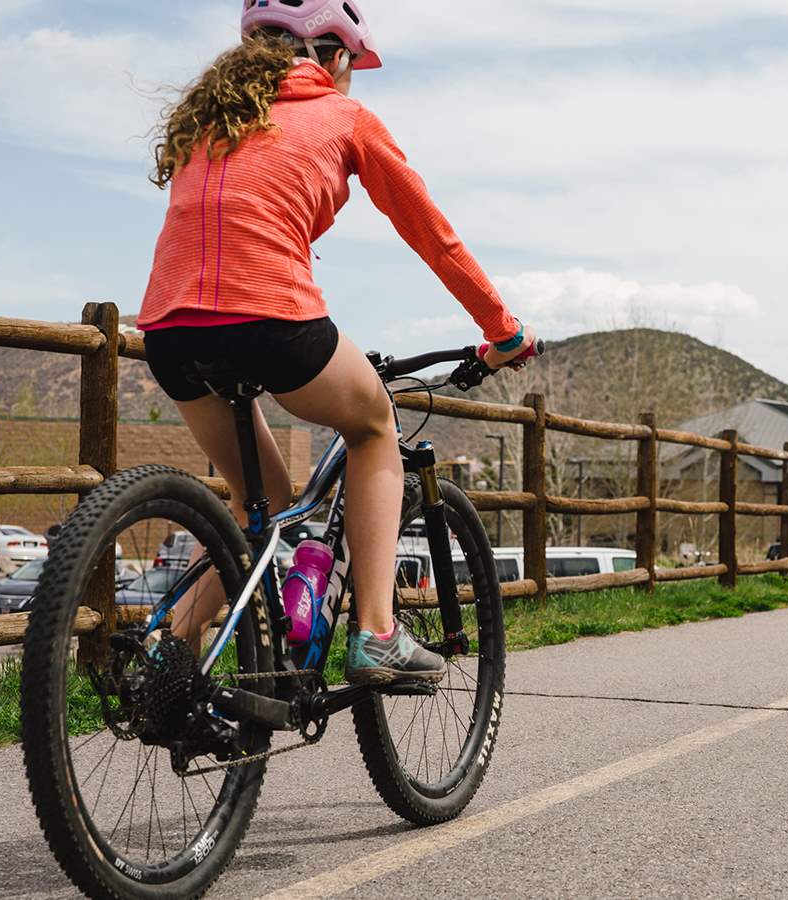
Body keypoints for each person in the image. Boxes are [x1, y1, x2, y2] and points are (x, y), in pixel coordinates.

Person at [138, 0, 535, 684]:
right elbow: (433, 237)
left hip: (169, 330)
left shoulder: (214, 117)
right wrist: (503, 332)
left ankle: (169, 655)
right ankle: (377, 632)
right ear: (331, 54)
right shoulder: (346, 117)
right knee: (375, 423)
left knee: (259, 503)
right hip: (273, 319)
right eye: (351, 63)